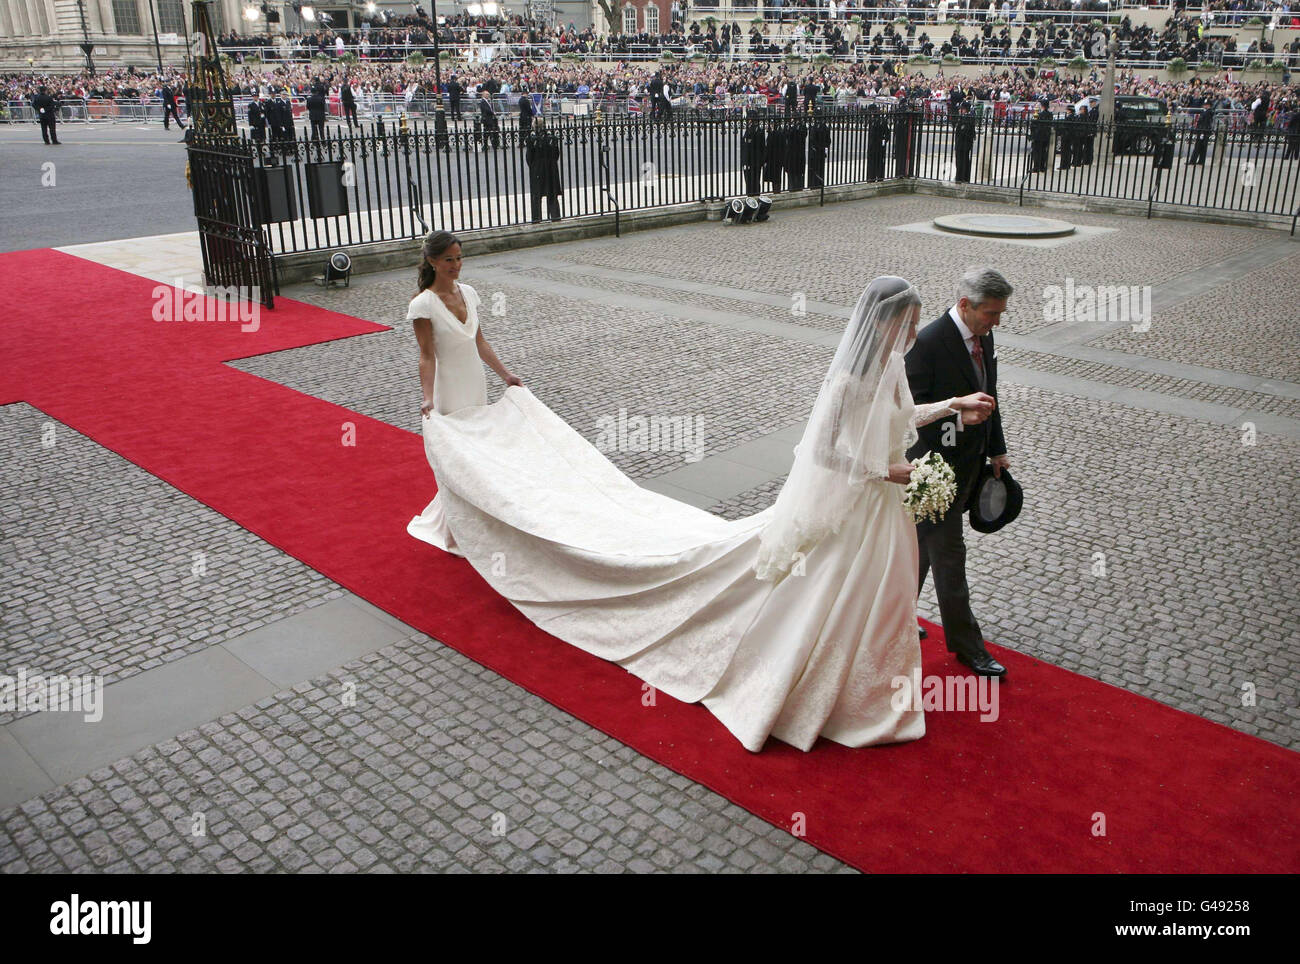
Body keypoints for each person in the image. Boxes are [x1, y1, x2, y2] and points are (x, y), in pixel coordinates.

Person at [408, 274, 994, 752]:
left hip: (884, 509)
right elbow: (824, 451)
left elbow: (904, 417)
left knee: (882, 596)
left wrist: (953, 404)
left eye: (915, 322)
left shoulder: (893, 368)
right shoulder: (846, 379)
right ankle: (832, 691)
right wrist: (883, 472)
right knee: (833, 595)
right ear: (882, 322)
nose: (915, 331)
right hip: (860, 502)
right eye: (907, 322)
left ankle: (877, 688)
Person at [905, 267, 1013, 679]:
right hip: (933, 473)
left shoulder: (985, 335)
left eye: (1001, 314)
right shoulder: (927, 344)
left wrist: (997, 448)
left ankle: (891, 618)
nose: (997, 322)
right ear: (965, 305)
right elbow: (908, 417)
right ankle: (969, 648)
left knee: (916, 553)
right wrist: (957, 421)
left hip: (970, 464)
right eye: (991, 313)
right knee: (950, 558)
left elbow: (991, 396)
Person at [406, 231, 523, 556]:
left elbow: (480, 342)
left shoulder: (469, 293)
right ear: (432, 261)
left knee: (479, 453)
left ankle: (479, 519)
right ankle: (455, 527)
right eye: (449, 260)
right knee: (458, 458)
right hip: (449, 387)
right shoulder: (422, 305)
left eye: (459, 258)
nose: (456, 265)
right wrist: (427, 397)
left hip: (475, 382)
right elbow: (427, 355)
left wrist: (506, 375)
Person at [524, 118, 562, 221]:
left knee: (536, 196)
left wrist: (533, 166)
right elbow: (556, 155)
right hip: (551, 168)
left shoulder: (531, 139)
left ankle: (536, 218)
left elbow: (529, 157)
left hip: (537, 169)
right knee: (552, 195)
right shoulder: (552, 138)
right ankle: (555, 216)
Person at [1028, 99, 1052, 173]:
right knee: (1043, 151)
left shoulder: (1040, 114)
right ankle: (1042, 167)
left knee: (1037, 152)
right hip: (1046, 136)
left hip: (1039, 136)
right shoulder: (1050, 114)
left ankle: (1036, 167)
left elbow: (1035, 125)